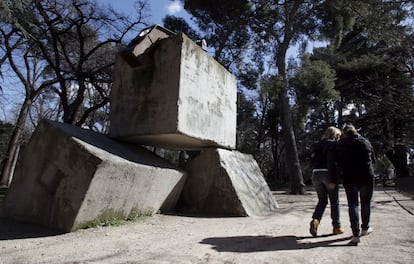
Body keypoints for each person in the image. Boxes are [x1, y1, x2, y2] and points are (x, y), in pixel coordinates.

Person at [336, 124, 376, 246]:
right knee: (365, 203)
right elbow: (373, 159)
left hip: (350, 177)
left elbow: (339, 162)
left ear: (344, 133)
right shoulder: (366, 142)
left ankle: (355, 234)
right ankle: (365, 228)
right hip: (367, 176)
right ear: (355, 131)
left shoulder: (342, 144)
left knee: (353, 205)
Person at [309, 126, 344, 237]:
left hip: (315, 174)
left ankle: (316, 220)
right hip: (327, 173)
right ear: (335, 135)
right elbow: (332, 162)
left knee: (322, 200)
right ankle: (336, 227)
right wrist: (334, 178)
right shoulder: (332, 145)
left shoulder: (317, 145)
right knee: (334, 201)